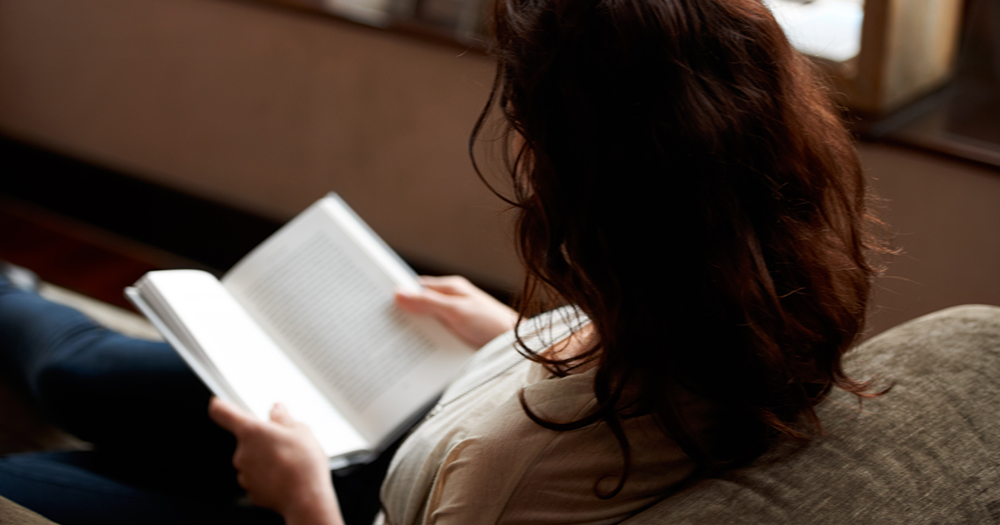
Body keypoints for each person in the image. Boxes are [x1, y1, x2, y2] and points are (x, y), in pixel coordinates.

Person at [0, 0, 887, 522]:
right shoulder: (771, 308)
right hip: (417, 428)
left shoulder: (506, 476)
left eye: (528, 123)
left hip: (354, 489)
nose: (516, 140)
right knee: (104, 372)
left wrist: (302, 493)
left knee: (30, 477)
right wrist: (509, 334)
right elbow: (651, 361)